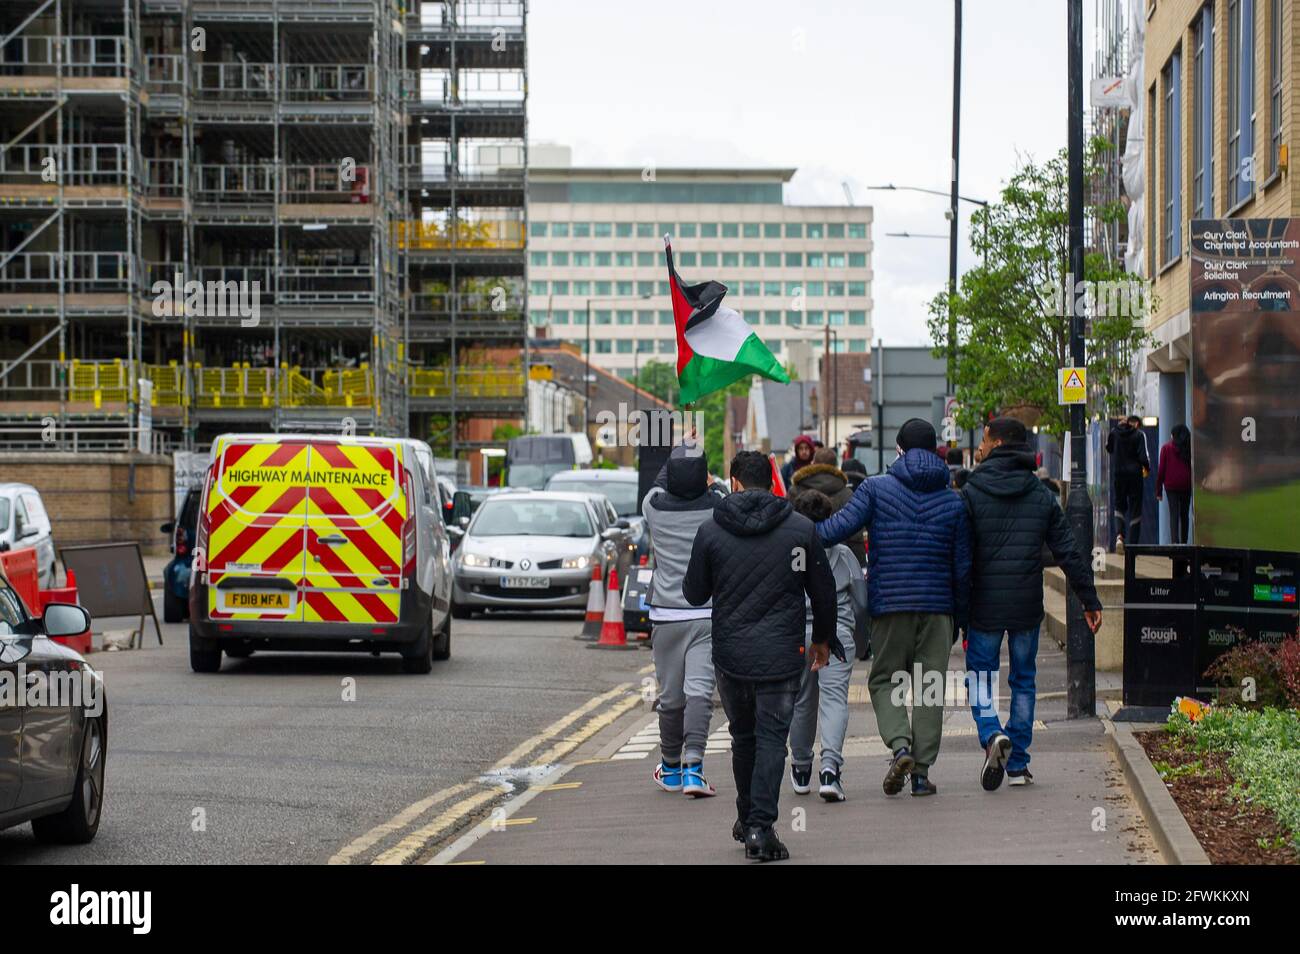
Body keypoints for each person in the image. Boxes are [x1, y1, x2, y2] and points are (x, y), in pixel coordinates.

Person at [683, 450, 839, 862]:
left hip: (731, 654)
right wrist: (822, 640)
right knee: (772, 739)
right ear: (772, 481)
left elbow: (694, 592)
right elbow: (823, 593)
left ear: (733, 482)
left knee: (744, 737)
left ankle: (746, 818)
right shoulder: (800, 529)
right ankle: (759, 827)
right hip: (783, 652)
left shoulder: (711, 530)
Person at [816, 418, 971, 797]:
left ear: (899, 449)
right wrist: (960, 618)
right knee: (930, 688)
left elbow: (836, 529)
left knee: (885, 679)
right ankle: (920, 774)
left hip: (890, 605)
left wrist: (794, 534)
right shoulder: (953, 500)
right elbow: (963, 567)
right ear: (935, 451)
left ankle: (900, 745)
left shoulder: (875, 489)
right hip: (938, 608)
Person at [962, 417, 1103, 789]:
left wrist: (957, 608)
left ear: (996, 442)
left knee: (981, 676)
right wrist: (1088, 599)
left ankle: (993, 733)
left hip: (983, 606)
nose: (980, 445)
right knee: (1023, 680)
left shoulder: (972, 491)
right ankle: (1019, 762)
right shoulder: (1041, 494)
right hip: (1026, 605)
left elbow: (961, 557)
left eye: (984, 439)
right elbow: (1069, 552)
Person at [642, 443, 720, 798]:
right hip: (707, 611)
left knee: (671, 696)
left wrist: (680, 448)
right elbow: (720, 488)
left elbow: (659, 484)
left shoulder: (653, 508)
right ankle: (694, 768)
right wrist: (704, 470)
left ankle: (670, 766)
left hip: (666, 615)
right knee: (700, 691)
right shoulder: (717, 509)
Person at [787, 490, 860, 802]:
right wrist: (862, 637)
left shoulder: (789, 552)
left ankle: (801, 768)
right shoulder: (843, 554)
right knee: (833, 701)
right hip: (837, 633)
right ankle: (830, 771)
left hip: (796, 634)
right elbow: (862, 601)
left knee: (801, 701)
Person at [790, 447, 865, 565]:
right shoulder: (847, 493)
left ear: (813, 464)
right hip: (840, 563)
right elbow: (855, 536)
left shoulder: (794, 491)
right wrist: (860, 565)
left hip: (800, 560)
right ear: (836, 466)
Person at [1107, 414, 1150, 547]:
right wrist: (1147, 469)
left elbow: (1109, 448)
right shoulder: (1139, 435)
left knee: (1119, 505)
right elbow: (1144, 457)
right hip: (1135, 475)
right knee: (1135, 508)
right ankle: (1133, 545)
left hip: (1119, 473)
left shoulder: (1114, 433)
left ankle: (1120, 536)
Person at [1157, 424, 1192, 544]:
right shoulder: (1189, 448)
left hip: (1171, 486)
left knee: (1174, 514)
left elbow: (1161, 470)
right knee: (1184, 514)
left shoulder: (1166, 448)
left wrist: (1158, 491)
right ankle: (1184, 542)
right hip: (1186, 484)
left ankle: (1175, 543)